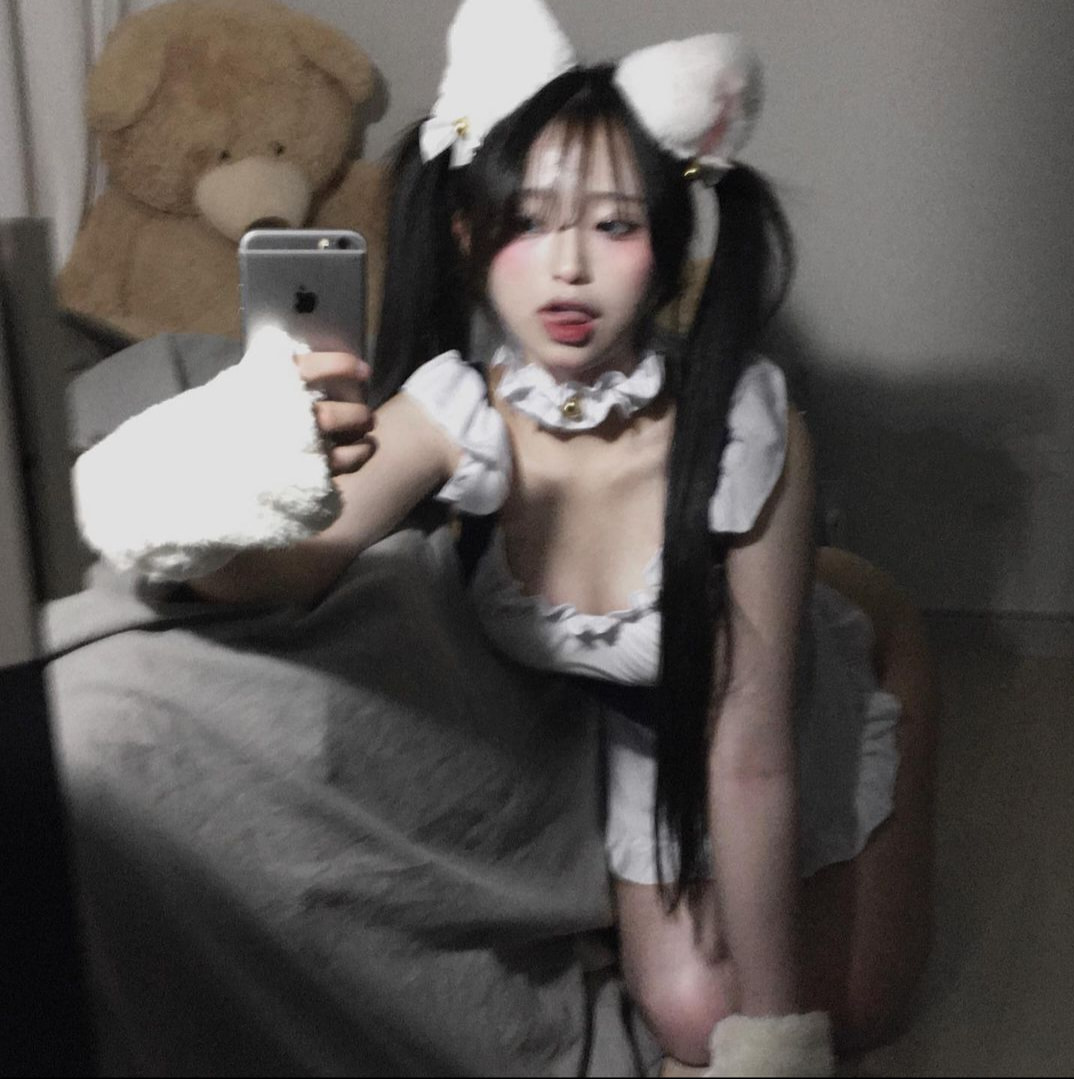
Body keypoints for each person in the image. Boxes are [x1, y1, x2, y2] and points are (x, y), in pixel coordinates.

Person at [73, 1, 936, 1073]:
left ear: (668, 245)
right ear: (469, 234)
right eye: (526, 222)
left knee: (846, 1007)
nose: (567, 266)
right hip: (637, 741)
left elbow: (750, 757)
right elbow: (287, 567)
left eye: (613, 225)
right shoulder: (455, 410)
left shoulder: (747, 430)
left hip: (763, 708)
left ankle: (877, 627)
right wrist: (208, 486)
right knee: (684, 1015)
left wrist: (773, 1036)